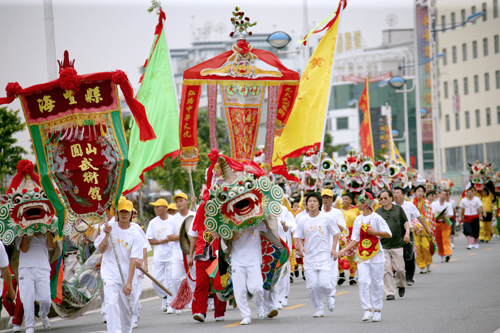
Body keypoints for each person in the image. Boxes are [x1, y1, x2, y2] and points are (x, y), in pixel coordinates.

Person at [338, 191, 392, 322]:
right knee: (362, 281)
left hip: (376, 255)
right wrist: (344, 250)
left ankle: (377, 310)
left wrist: (375, 232)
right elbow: (355, 239)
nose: (357, 204)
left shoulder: (377, 218)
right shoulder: (358, 219)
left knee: (376, 283)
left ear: (367, 203)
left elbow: (388, 234)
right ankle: (367, 309)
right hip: (362, 254)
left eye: (360, 201)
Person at [95, 199, 144, 333]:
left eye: (126, 212)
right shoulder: (108, 227)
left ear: (131, 213)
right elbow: (101, 249)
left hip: (127, 276)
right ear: (117, 212)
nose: (124, 214)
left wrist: (129, 282)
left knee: (127, 311)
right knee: (111, 304)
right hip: (110, 274)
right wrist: (106, 235)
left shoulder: (136, 234)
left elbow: (133, 259)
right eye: (121, 211)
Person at [294, 192, 340, 318]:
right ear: (307, 204)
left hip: (324, 256)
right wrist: (301, 246)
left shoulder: (326, 218)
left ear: (319, 203)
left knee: (324, 284)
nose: (312, 203)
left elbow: (336, 232)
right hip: (309, 257)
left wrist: (333, 248)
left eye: (314, 201)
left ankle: (329, 296)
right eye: (309, 201)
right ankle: (319, 308)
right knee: (312, 286)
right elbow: (298, 235)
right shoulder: (302, 219)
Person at [187, 210, 226, 323]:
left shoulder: (221, 215)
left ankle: (219, 313)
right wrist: (190, 256)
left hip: (217, 256)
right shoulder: (197, 217)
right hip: (201, 257)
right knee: (201, 285)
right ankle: (199, 312)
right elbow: (193, 237)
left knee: (218, 285)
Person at [230, 218, 269, 325]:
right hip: (237, 259)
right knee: (239, 290)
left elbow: (269, 227)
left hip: (254, 259)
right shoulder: (231, 219)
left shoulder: (257, 218)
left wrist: (265, 218)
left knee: (257, 288)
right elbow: (228, 237)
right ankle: (246, 315)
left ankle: (259, 306)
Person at [16, 230, 56, 333]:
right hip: (26, 268)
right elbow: (24, 249)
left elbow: (52, 246)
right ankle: (29, 325)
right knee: (28, 298)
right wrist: (25, 233)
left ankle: (43, 315)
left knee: (46, 299)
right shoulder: (19, 230)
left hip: (43, 268)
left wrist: (47, 232)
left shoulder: (47, 228)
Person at [375, 190, 409, 301]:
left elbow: (406, 222)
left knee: (400, 270)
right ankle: (390, 292)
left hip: (397, 244)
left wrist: (407, 233)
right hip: (383, 246)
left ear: (391, 198)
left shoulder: (398, 209)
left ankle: (401, 284)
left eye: (385, 198)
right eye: (381, 198)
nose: (383, 200)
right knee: (386, 270)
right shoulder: (378, 212)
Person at [393, 187, 431, 285]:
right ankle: (398, 278)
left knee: (408, 255)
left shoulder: (409, 205)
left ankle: (409, 278)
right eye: (394, 193)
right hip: (395, 234)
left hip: (407, 232)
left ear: (403, 195)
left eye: (398, 193)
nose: (395, 195)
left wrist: (427, 228)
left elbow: (419, 217)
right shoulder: (391, 205)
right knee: (395, 256)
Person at [166, 193, 196, 313]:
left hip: (192, 252)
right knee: (176, 277)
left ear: (186, 201)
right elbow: (169, 236)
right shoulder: (173, 219)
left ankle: (193, 302)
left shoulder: (194, 215)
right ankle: (176, 302)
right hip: (178, 252)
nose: (178, 203)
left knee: (193, 278)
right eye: (177, 201)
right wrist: (184, 236)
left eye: (181, 201)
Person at [145, 198, 174, 313]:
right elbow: (149, 239)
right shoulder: (153, 222)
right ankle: (165, 297)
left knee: (170, 280)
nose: (155, 209)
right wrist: (160, 242)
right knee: (156, 280)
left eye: (158, 207)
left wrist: (169, 239)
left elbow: (179, 234)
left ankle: (171, 304)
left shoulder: (172, 220)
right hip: (158, 256)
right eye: (155, 207)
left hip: (171, 254)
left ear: (165, 208)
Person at [320, 189, 346, 298]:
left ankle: (331, 291)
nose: (325, 200)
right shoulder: (317, 211)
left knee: (332, 266)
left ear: (332, 199)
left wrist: (331, 222)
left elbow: (342, 227)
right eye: (323, 197)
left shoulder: (337, 212)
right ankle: (323, 288)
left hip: (332, 241)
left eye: (327, 197)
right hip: (320, 242)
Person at [340, 191, 361, 285]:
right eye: (343, 199)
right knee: (340, 254)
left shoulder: (356, 210)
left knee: (352, 256)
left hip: (352, 236)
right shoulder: (338, 210)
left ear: (351, 200)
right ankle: (341, 274)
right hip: (341, 235)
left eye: (346, 199)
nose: (344, 201)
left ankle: (352, 276)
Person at [413, 185, 435, 274]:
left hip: (425, 228)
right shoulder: (410, 202)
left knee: (426, 246)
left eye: (422, 191)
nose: (420, 193)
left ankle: (428, 263)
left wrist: (427, 228)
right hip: (414, 228)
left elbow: (430, 217)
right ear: (415, 192)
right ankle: (421, 266)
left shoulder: (427, 203)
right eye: (418, 191)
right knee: (417, 248)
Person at [430, 190, 454, 261]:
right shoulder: (434, 204)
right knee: (439, 241)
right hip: (436, 224)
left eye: (444, 195)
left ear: (446, 196)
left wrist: (445, 217)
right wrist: (438, 215)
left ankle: (448, 253)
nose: (443, 196)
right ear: (439, 195)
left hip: (445, 224)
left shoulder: (448, 205)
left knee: (445, 239)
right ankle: (442, 255)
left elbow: (450, 214)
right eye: (442, 194)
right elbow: (433, 213)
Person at [0, 241, 17, 331]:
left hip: (22, 262)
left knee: (23, 297)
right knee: (6, 299)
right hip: (8, 265)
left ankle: (17, 318)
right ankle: (14, 315)